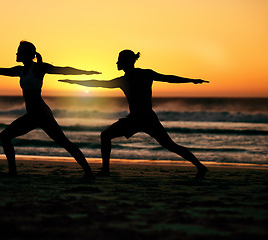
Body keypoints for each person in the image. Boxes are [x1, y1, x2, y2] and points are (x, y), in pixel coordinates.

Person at [60, 50, 209, 179]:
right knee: (170, 145)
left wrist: (73, 81)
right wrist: (192, 80)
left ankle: (106, 171)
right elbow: (168, 78)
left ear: (125, 62)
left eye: (119, 60)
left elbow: (98, 83)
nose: (116, 62)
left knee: (107, 136)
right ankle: (200, 167)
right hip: (141, 118)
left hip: (141, 119)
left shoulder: (128, 79)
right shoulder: (142, 75)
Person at [0, 40, 99, 178]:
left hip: (41, 113)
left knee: (63, 142)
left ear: (26, 54)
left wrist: (86, 72)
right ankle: (12, 172)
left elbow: (63, 70)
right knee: (5, 136)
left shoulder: (38, 68)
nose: (16, 54)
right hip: (33, 114)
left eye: (19, 51)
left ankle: (88, 172)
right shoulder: (21, 70)